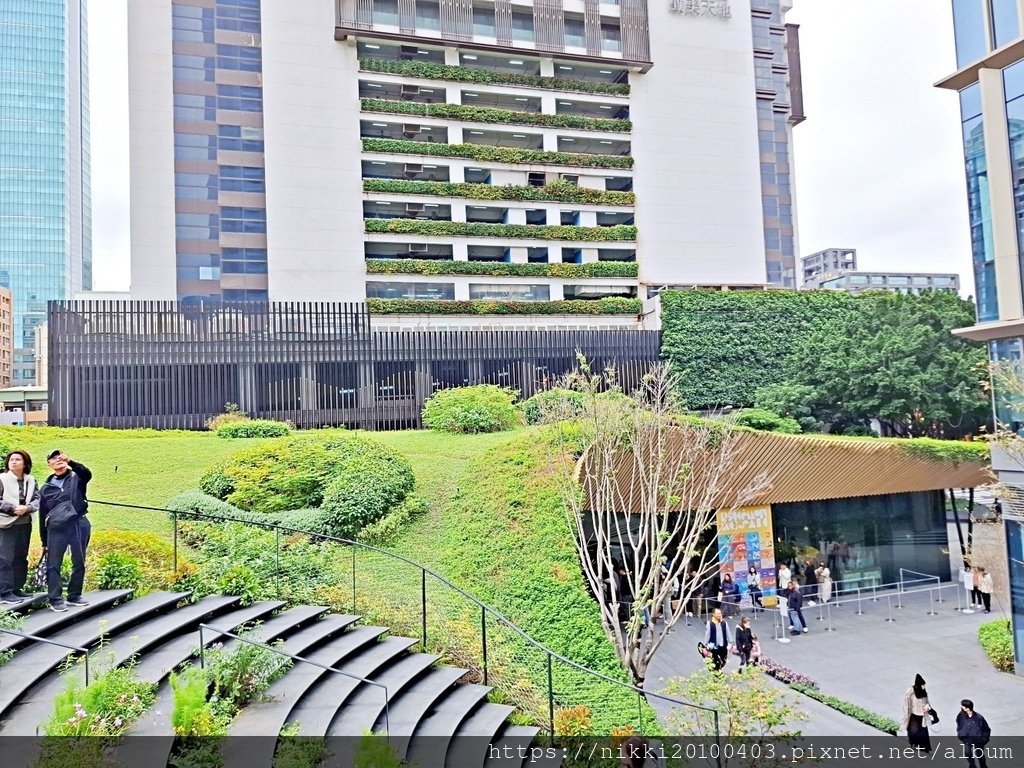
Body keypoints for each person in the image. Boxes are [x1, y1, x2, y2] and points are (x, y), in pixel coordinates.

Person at [38, 451, 93, 613]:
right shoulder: (46, 489)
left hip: (79, 523)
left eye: (60, 457)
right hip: (56, 528)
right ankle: (55, 598)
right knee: (53, 564)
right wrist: (44, 541)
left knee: (79, 560)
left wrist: (71, 461)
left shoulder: (77, 477)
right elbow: (43, 515)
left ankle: (74, 595)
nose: (58, 460)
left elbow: (87, 473)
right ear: (49, 464)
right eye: (53, 458)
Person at [0, 450, 40, 603]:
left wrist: (28, 508)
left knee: (20, 557)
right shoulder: (2, 479)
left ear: (25, 464)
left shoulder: (31, 480)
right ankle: (4, 592)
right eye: (11, 459)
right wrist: (13, 507)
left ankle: (17, 588)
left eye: (18, 459)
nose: (14, 462)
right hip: (6, 525)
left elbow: (37, 498)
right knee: (4, 558)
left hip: (25, 524)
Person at [901, 673, 933, 753]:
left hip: (922, 715)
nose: (923, 686)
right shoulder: (911, 690)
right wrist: (906, 713)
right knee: (913, 731)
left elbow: (926, 701)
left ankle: (923, 746)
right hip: (914, 714)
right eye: (922, 685)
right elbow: (907, 702)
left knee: (923, 732)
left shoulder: (923, 691)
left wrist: (929, 709)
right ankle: (914, 743)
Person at [956, 699, 991, 768]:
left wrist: (984, 739)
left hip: (978, 740)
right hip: (967, 739)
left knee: (980, 755)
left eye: (963, 707)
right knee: (967, 753)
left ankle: (983, 766)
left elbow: (986, 729)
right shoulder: (960, 715)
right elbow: (959, 725)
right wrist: (960, 734)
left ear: (967, 708)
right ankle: (972, 766)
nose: (961, 708)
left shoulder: (979, 718)